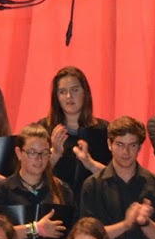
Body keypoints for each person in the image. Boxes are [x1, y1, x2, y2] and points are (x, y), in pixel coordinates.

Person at [42, 66, 110, 194]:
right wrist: (54, 154)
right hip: (55, 201)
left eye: (75, 90)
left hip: (94, 201)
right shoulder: (43, 129)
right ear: (56, 97)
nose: (69, 96)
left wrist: (90, 164)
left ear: (85, 93)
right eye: (62, 92)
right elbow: (31, 175)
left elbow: (116, 179)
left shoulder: (104, 130)